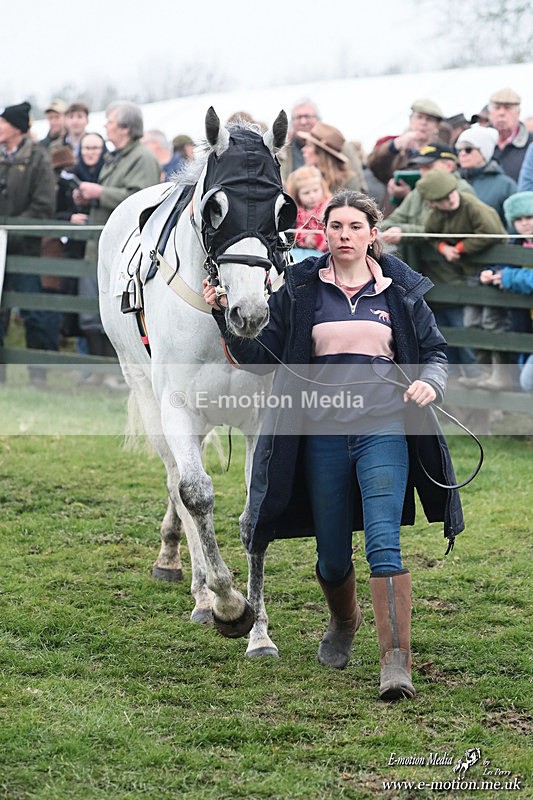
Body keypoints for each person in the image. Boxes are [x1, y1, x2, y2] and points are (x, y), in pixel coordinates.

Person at [203, 189, 464, 702]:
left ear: (373, 233)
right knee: (331, 560)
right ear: (324, 232)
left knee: (383, 543)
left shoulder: (399, 291)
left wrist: (430, 381)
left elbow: (435, 351)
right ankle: (344, 619)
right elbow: (258, 356)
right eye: (335, 227)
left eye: (354, 227)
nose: (344, 235)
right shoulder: (300, 288)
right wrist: (222, 317)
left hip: (384, 430)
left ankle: (396, 666)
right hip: (319, 437)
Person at [74, 101, 160, 371]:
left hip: (128, 253)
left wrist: (100, 193)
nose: (106, 127)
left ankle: (114, 371)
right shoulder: (118, 157)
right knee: (95, 317)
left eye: (110, 121)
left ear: (124, 127)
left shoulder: (142, 158)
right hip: (106, 248)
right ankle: (100, 371)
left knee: (120, 317)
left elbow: (143, 199)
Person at [380, 143, 478, 376]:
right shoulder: (418, 192)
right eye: (421, 167)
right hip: (425, 280)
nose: (423, 172)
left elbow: (450, 229)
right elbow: (397, 218)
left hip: (455, 278)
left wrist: (405, 232)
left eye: (429, 166)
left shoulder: (461, 191)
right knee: (440, 342)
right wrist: (375, 231)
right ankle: (451, 397)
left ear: (448, 165)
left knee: (466, 341)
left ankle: (484, 403)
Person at [416, 171, 509, 389]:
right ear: (432, 203)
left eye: (451, 194)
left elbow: (492, 232)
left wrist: (460, 247)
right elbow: (430, 233)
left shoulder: (473, 207)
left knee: (491, 323)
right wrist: (443, 247)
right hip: (471, 276)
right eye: (442, 199)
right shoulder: (438, 215)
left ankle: (500, 375)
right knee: (471, 323)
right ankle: (483, 374)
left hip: (492, 271)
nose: (450, 199)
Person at [0, 101, 57, 385]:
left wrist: (11, 231)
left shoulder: (38, 158)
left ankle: (39, 376)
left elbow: (44, 206)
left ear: (17, 128)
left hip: (25, 250)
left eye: (3, 122)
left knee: (34, 311)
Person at [479, 191, 533, 393]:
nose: (525, 224)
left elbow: (510, 274)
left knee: (528, 381)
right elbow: (504, 265)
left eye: (529, 217)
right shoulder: (515, 244)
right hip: (525, 324)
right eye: (518, 219)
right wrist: (492, 273)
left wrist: (508, 277)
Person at [367, 98, 445, 214]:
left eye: (429, 119)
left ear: (436, 125)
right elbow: (374, 167)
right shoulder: (398, 148)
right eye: (419, 117)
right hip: (392, 214)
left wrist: (410, 195)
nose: (423, 122)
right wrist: (393, 147)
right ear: (411, 120)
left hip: (425, 217)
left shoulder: (442, 152)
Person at [456, 125, 517, 224]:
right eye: (459, 150)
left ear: (484, 151)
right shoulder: (453, 182)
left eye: (468, 149)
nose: (462, 154)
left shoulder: (506, 185)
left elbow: (514, 224)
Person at [300, 122, 364, 194]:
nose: (303, 149)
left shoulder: (348, 181)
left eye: (309, 145)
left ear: (321, 153)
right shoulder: (302, 179)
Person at [488, 88, 533, 183]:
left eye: (507, 108)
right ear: (490, 113)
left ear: (518, 113)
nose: (501, 113)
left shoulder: (530, 142)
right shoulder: (481, 142)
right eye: (497, 108)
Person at [285, 165, 331, 258]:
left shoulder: (329, 206)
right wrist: (305, 236)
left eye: (315, 190)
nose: (312, 196)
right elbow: (297, 232)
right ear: (297, 195)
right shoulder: (298, 213)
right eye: (306, 192)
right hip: (307, 253)